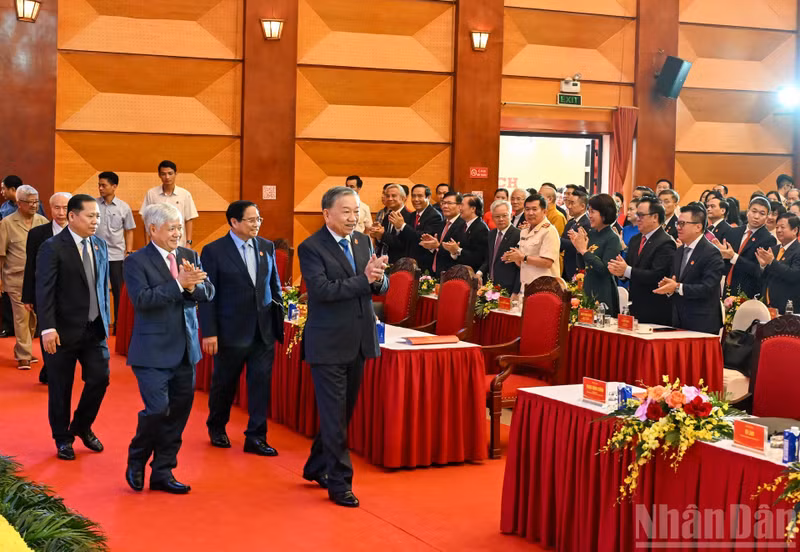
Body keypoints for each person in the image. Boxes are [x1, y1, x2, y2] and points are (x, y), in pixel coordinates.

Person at [298, 186, 388, 508]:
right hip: (328, 344)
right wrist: (365, 280)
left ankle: (315, 466)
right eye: (346, 212)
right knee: (335, 417)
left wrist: (379, 279)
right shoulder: (311, 247)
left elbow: (377, 285)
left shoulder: (363, 241)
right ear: (327, 214)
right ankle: (340, 484)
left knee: (342, 414)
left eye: (356, 211)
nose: (353, 218)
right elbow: (322, 291)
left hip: (359, 340)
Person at [124, 203, 214, 494]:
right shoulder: (136, 261)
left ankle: (163, 470)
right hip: (151, 351)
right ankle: (137, 456)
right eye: (172, 228)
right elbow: (142, 300)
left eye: (180, 228)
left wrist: (192, 287)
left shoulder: (189, 255)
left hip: (186, 349)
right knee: (157, 409)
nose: (178, 233)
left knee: (178, 413)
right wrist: (178, 285)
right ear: (153, 229)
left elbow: (208, 292)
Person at [199, 201, 284, 456]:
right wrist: (210, 332)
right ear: (234, 222)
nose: (256, 224)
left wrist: (277, 322)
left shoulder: (266, 247)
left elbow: (274, 286)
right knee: (224, 384)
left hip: (263, 331)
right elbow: (208, 296)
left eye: (259, 219)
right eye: (251, 220)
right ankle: (217, 426)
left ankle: (256, 437)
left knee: (260, 385)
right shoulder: (214, 251)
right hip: (230, 331)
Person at [36, 194, 111, 460]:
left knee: (100, 378)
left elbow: (102, 286)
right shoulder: (52, 247)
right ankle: (62, 438)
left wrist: (106, 320)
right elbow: (44, 290)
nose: (95, 221)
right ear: (72, 216)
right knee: (61, 388)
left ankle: (81, 425)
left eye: (97, 216)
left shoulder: (100, 245)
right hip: (62, 331)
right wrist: (47, 328)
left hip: (94, 329)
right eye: (90, 216)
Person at [22, 192, 71, 383]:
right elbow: (30, 266)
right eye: (57, 207)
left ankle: (54, 367)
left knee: (65, 332)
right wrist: (28, 296)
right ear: (50, 209)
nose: (61, 212)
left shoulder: (78, 232)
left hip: (70, 293)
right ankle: (50, 366)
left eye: (65, 208)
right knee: (47, 329)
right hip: (44, 293)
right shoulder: (37, 234)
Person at [654, 204, 725, 335]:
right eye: (677, 223)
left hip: (702, 323)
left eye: (682, 224)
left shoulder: (711, 253)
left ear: (698, 227)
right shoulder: (679, 251)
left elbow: (707, 288)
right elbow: (675, 280)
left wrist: (677, 287)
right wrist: (669, 287)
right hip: (679, 319)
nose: (678, 227)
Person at [0, 185, 48, 369]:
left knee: (33, 317)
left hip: (38, 278)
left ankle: (23, 348)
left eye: (37, 201)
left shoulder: (43, 222)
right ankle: (24, 355)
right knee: (21, 316)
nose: (34, 205)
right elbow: (1, 255)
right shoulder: (7, 223)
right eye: (30, 202)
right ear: (19, 203)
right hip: (16, 278)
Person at [608, 196, 676, 325]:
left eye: (641, 215)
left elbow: (657, 275)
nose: (637, 218)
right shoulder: (635, 239)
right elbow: (629, 268)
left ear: (655, 217)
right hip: (635, 304)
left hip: (655, 308)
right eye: (637, 214)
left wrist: (626, 270)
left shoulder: (666, 242)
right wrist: (620, 272)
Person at [569, 194, 622, 316]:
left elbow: (605, 270)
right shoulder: (591, 234)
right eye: (589, 211)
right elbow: (582, 265)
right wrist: (578, 249)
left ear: (604, 213)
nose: (590, 215)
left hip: (604, 290)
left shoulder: (612, 238)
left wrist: (584, 251)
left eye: (593, 212)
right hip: (588, 287)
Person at [95, 172, 135, 333]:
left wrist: (129, 252)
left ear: (114, 186)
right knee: (98, 290)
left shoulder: (124, 207)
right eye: (99, 185)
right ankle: (99, 324)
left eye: (103, 185)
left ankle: (119, 325)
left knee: (119, 291)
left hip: (117, 255)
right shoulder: (93, 205)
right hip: (96, 254)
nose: (100, 188)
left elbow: (129, 230)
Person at [715, 197, 777, 297]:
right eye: (754, 211)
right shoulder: (733, 231)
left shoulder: (768, 239)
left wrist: (734, 257)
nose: (756, 216)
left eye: (762, 213)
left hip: (748, 292)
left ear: (767, 217)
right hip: (726, 287)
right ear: (748, 211)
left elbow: (758, 270)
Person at [504, 194, 560, 289]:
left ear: (544, 212)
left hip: (544, 287)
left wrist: (523, 257)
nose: (530, 213)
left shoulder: (549, 231)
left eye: (534, 209)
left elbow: (547, 263)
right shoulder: (524, 231)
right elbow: (523, 263)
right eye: (527, 209)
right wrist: (514, 257)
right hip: (526, 285)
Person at [140, 160, 199, 248]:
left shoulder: (184, 194)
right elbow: (146, 219)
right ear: (159, 175)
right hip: (158, 244)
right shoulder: (151, 194)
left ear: (176, 173)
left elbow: (189, 219)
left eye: (170, 173)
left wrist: (188, 242)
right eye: (163, 174)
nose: (167, 177)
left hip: (179, 243)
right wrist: (148, 243)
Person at [758, 213, 800, 313]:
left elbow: (794, 275)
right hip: (767, 304)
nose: (778, 230)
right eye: (777, 227)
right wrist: (763, 266)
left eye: (782, 227)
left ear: (795, 230)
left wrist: (772, 262)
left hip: (788, 307)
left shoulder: (798, 250)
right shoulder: (774, 249)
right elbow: (765, 278)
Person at [476, 199, 520, 294]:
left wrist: (516, 291)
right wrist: (479, 273)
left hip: (509, 287)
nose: (501, 219)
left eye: (504, 215)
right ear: (492, 217)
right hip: (491, 284)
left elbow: (520, 268)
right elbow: (489, 258)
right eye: (497, 216)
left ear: (511, 216)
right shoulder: (491, 234)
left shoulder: (518, 235)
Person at [397, 184, 443, 273]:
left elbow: (422, 237)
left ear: (428, 197)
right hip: (409, 263)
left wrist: (403, 226)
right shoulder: (411, 215)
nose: (416, 199)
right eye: (413, 196)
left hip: (424, 265)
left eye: (420, 196)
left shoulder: (435, 215)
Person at [420, 191, 465, 276]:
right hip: (437, 271)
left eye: (449, 203)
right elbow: (437, 248)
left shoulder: (463, 225)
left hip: (453, 273)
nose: (445, 206)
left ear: (460, 206)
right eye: (443, 203)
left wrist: (438, 246)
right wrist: (431, 245)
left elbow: (458, 253)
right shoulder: (442, 224)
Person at [443, 193, 488, 273]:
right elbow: (458, 254)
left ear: (473, 209)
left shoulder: (481, 228)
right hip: (460, 272)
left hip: (473, 274)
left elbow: (479, 257)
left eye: (462, 205)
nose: (459, 208)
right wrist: (453, 251)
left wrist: (458, 249)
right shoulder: (462, 225)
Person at [369, 183, 411, 264]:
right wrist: (377, 235)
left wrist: (383, 235)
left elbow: (404, 244)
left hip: (400, 263)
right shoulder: (387, 216)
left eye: (394, 196)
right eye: (387, 196)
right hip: (383, 261)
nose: (390, 199)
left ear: (403, 198)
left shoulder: (409, 216)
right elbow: (381, 242)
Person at [560, 189, 590, 281]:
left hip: (578, 269)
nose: (569, 206)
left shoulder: (586, 224)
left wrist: (554, 237)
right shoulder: (571, 222)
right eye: (568, 203)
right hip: (567, 269)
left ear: (582, 206)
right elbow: (562, 245)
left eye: (572, 203)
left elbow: (578, 246)